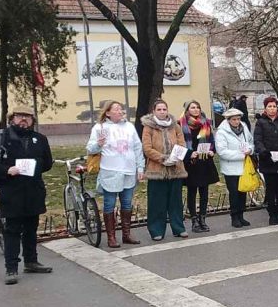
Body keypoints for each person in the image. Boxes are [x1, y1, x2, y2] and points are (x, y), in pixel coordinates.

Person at [0, 106, 54, 283]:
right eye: (20, 116)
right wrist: (7, 170)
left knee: (31, 227)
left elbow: (48, 163)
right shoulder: (0, 137)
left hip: (33, 189)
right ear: (12, 118)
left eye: (28, 117)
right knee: (12, 229)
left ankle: (31, 261)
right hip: (11, 189)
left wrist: (35, 166)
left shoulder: (40, 139)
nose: (24, 120)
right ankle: (11, 268)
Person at [88, 101, 144, 248]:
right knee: (110, 204)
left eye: (121, 109)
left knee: (126, 203)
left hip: (129, 170)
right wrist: (98, 144)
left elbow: (137, 147)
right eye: (117, 109)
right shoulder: (100, 128)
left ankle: (126, 234)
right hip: (110, 171)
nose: (121, 111)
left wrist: (140, 167)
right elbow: (90, 149)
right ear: (108, 113)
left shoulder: (129, 126)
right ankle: (111, 237)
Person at [141, 99, 189, 241]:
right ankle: (156, 230)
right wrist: (162, 158)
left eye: (164, 109)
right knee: (157, 202)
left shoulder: (175, 126)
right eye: (159, 110)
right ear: (154, 111)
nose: (162, 112)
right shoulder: (148, 127)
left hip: (175, 169)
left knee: (175, 201)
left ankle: (178, 228)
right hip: (157, 170)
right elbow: (147, 148)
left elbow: (182, 143)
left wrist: (175, 157)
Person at [180, 101, 219, 232]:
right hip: (191, 162)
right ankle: (194, 220)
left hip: (204, 161)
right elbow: (179, 144)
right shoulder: (182, 124)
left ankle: (203, 218)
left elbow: (212, 141)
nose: (196, 110)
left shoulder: (206, 123)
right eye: (193, 107)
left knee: (204, 191)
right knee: (192, 192)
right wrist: (189, 153)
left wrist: (212, 150)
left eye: (198, 107)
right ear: (187, 110)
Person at [253, 95, 278, 225]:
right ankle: (272, 213)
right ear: (265, 108)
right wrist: (263, 152)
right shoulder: (261, 122)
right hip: (267, 160)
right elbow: (258, 140)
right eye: (269, 106)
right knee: (270, 188)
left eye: (274, 106)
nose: (272, 109)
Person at [215, 107, 256, 228]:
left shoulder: (244, 128)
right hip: (230, 168)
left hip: (244, 167)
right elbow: (222, 151)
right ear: (228, 120)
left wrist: (250, 150)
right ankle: (234, 216)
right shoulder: (222, 132)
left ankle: (242, 215)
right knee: (234, 193)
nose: (237, 122)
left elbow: (250, 141)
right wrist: (241, 155)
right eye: (234, 119)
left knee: (242, 191)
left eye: (238, 119)